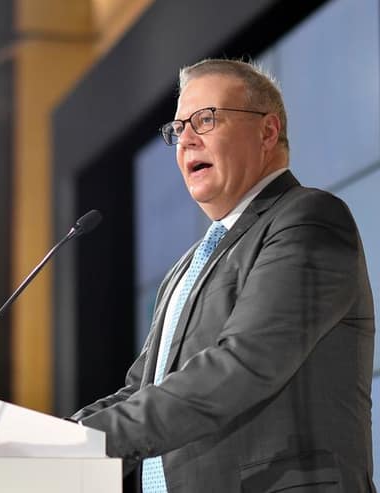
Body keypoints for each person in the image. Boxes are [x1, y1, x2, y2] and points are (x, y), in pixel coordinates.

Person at [71, 59, 375, 492]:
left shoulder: (309, 218)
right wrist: (59, 437)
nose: (186, 140)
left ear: (267, 132)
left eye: (205, 120)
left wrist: (88, 444)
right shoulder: (184, 268)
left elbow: (242, 366)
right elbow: (143, 390)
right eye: (178, 129)